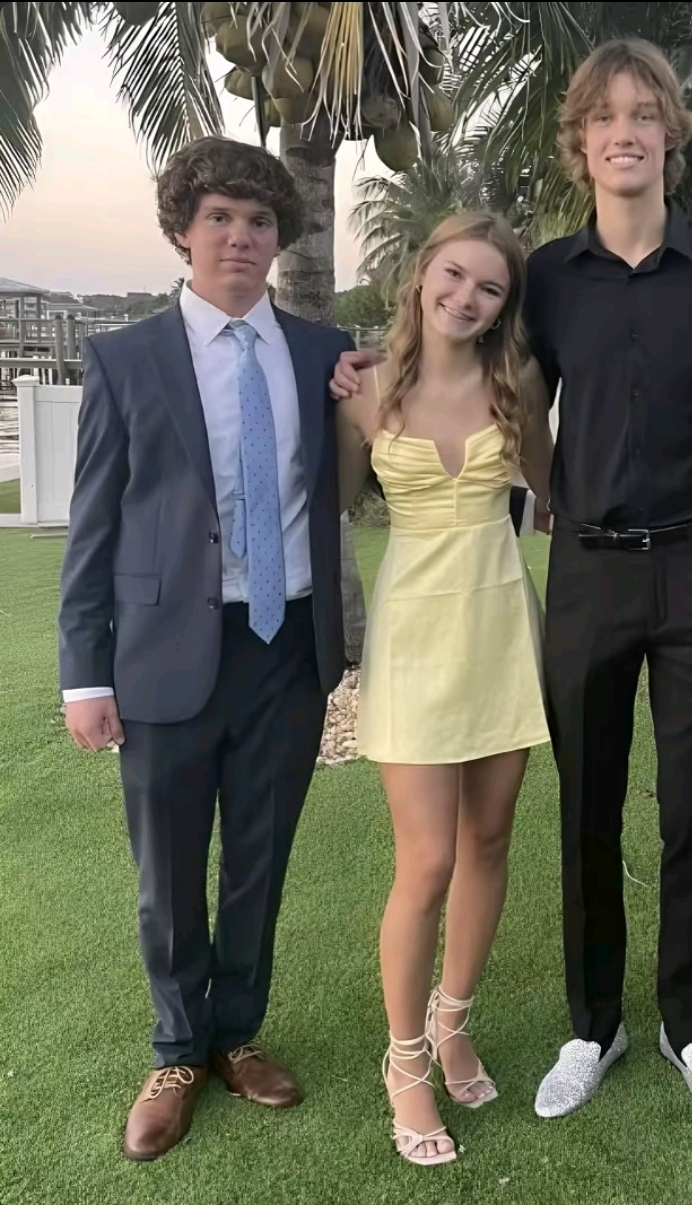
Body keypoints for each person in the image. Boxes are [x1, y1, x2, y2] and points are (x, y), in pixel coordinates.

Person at [332, 38, 692, 1119]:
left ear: (670, 133)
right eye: (603, 117)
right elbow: (466, 360)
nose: (624, 132)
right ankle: (594, 1024)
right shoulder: (550, 278)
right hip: (587, 571)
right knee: (586, 808)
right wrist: (358, 372)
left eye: (643, 114)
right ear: (579, 142)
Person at [57, 137, 355, 1161]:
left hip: (286, 643)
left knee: (260, 857)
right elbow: (93, 523)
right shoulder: (126, 357)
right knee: (170, 865)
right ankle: (177, 1048)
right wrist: (84, 671)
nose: (240, 236)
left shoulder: (323, 353)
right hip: (163, 651)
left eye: (258, 220)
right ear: (183, 230)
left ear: (280, 238)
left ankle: (237, 1032)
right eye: (219, 217)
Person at [334, 212, 552, 1166]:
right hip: (414, 637)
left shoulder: (521, 385)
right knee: (426, 863)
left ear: (505, 305)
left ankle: (454, 1019)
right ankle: (406, 1060)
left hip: (501, 627)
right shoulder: (362, 387)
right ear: (423, 274)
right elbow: (333, 505)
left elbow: (555, 497)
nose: (468, 298)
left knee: (489, 840)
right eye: (455, 276)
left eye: (490, 287)